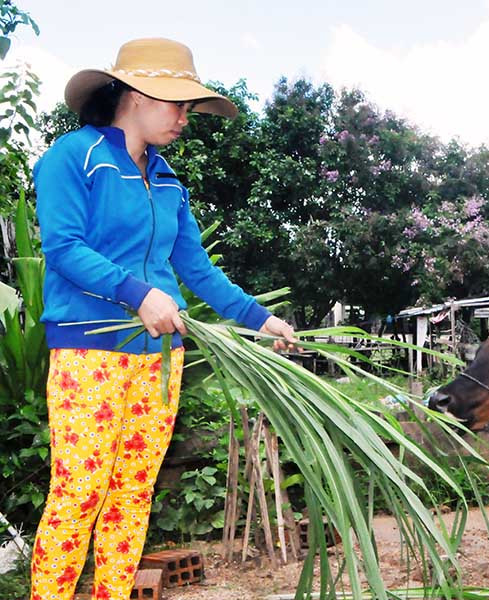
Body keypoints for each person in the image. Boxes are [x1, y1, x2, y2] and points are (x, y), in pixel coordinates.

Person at [30, 38, 295, 600]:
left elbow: (196, 269)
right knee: (78, 493)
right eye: (175, 103)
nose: (183, 117)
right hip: (90, 354)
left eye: (188, 107)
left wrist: (257, 318)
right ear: (132, 94)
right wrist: (138, 293)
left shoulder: (169, 180)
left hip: (159, 361)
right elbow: (63, 246)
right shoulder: (72, 157)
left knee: (133, 493)